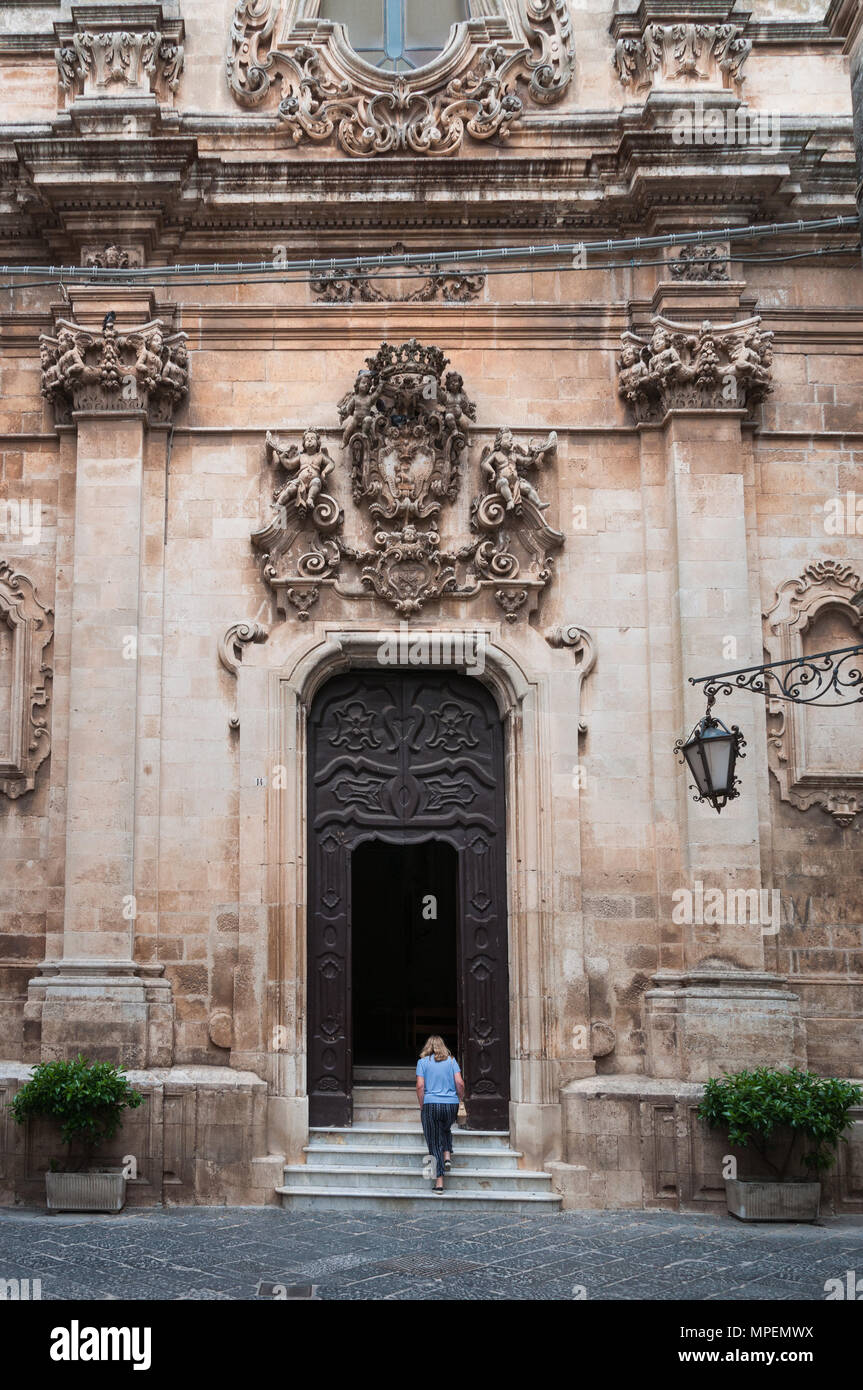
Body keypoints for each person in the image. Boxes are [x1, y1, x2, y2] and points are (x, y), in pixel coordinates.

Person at [416, 1035, 465, 1195]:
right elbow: (460, 1083)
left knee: (433, 1141)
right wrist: (460, 1099)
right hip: (450, 1104)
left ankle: (439, 1182)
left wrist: (422, 1104)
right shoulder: (452, 1061)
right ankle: (447, 1156)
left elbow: (420, 1085)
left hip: (431, 1104)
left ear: (427, 1047)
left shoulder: (422, 1062)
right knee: (445, 1129)